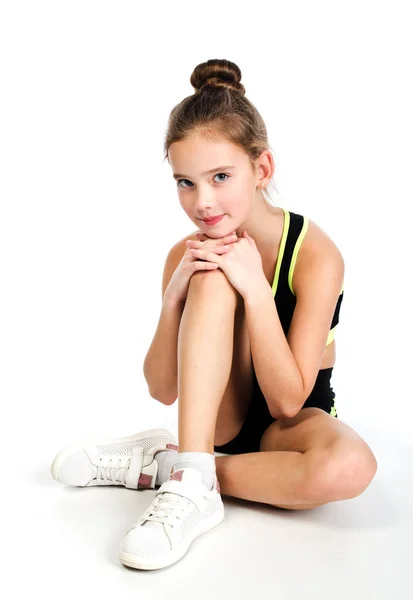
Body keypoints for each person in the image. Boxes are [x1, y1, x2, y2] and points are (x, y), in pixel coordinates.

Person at [51, 58, 378, 571]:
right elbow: (162, 389)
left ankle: (177, 471)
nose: (202, 202)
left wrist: (255, 287)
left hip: (292, 424)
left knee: (351, 468)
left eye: (220, 176)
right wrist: (173, 298)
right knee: (208, 274)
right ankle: (194, 474)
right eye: (185, 182)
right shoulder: (190, 251)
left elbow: (289, 401)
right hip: (220, 421)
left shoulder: (316, 255)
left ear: (262, 169)